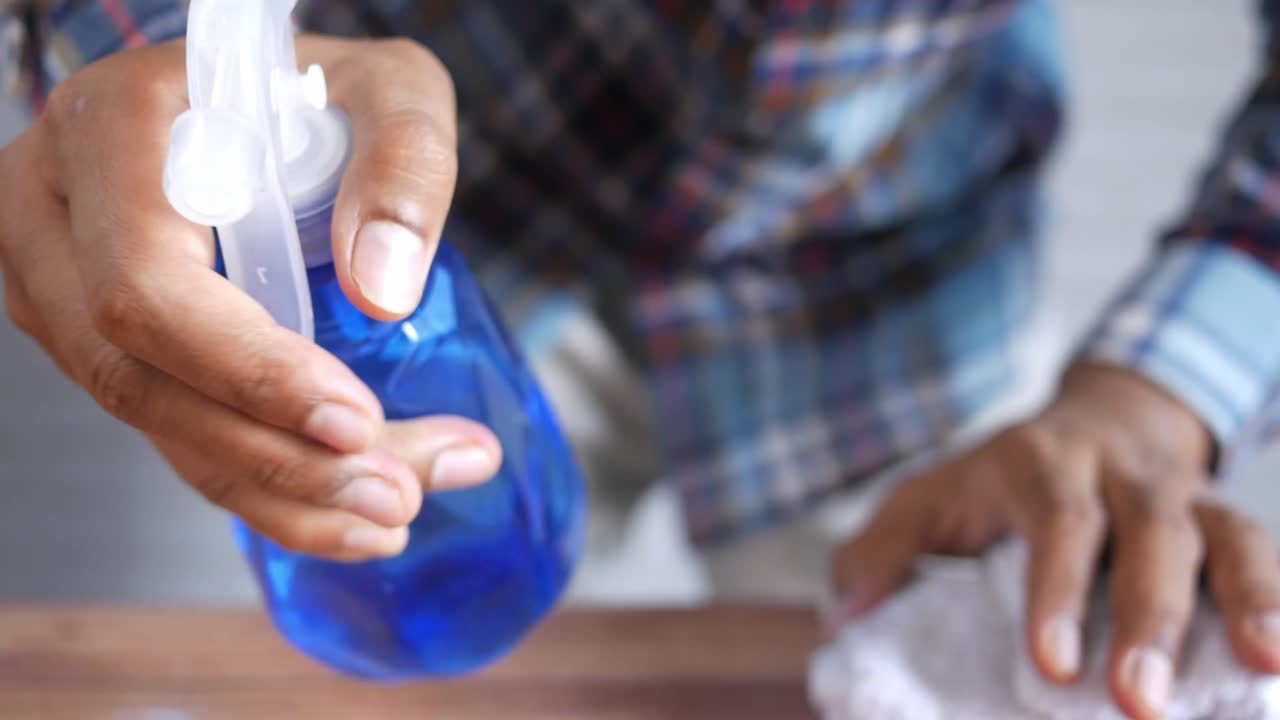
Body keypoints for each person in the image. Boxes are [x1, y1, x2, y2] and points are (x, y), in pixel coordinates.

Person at [1, 1, 1278, 717]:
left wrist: (1151, 398)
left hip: (893, 252)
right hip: (434, 193)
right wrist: (135, 70)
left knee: (997, 638)